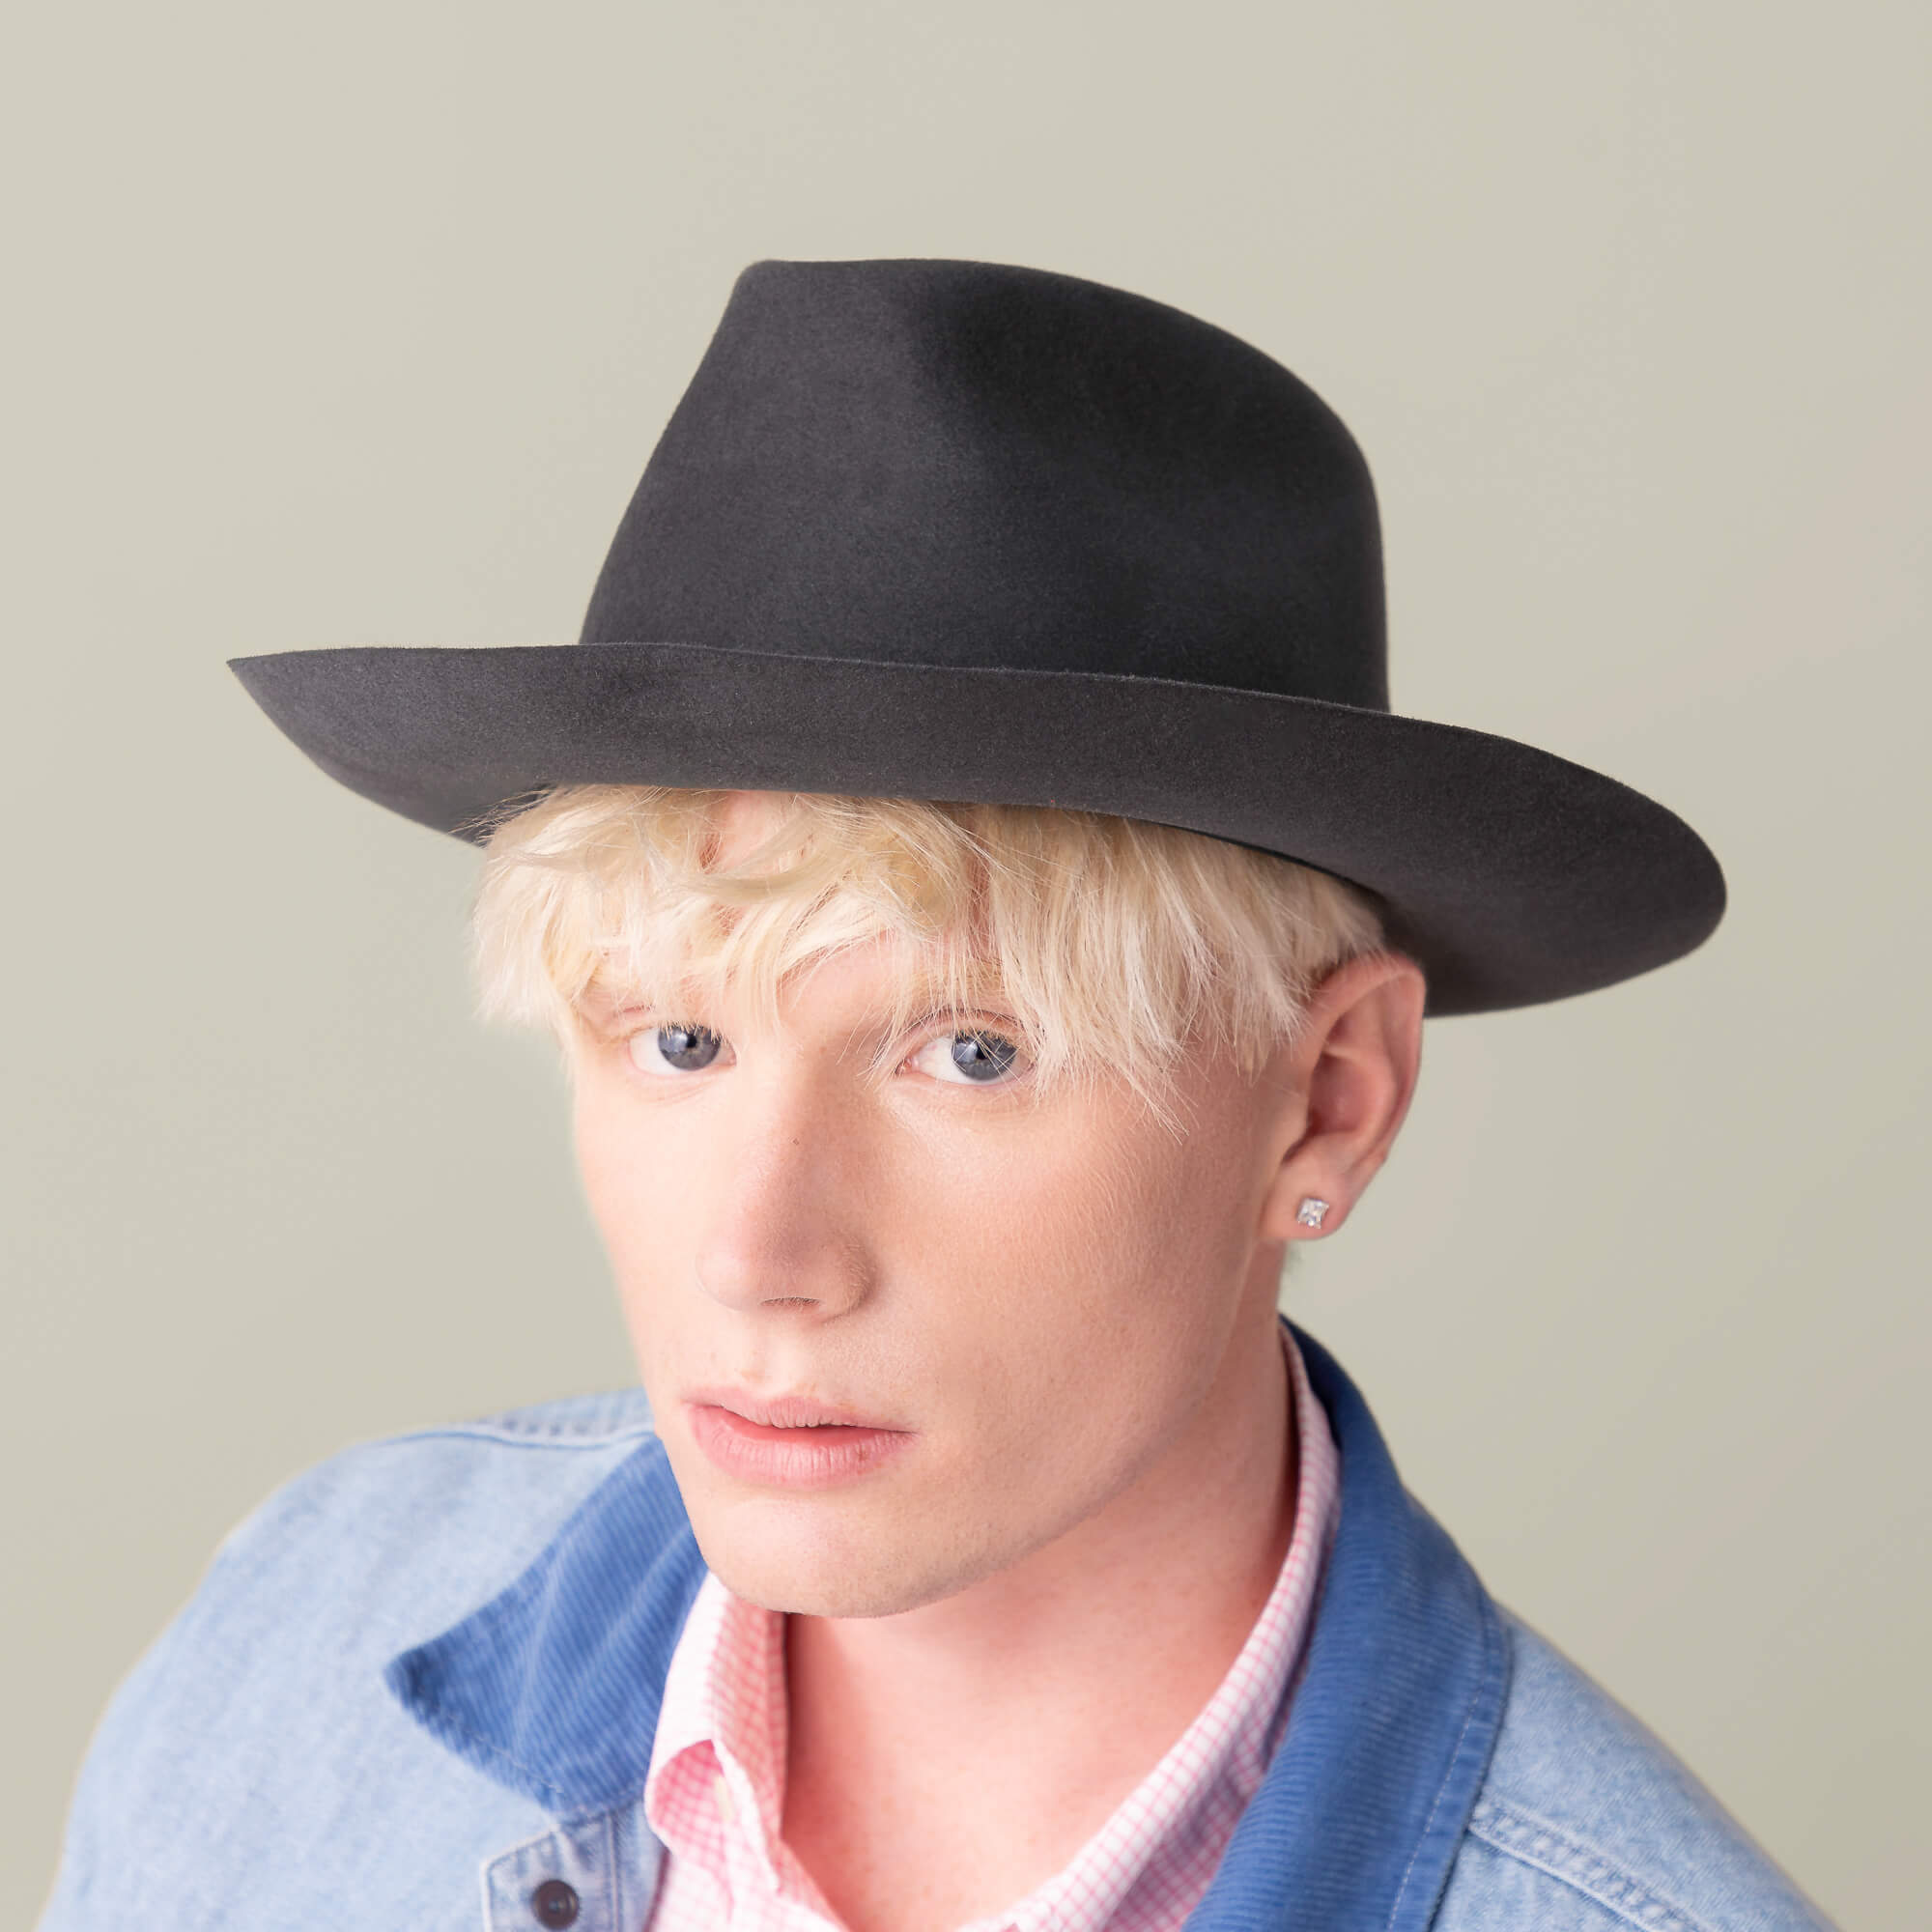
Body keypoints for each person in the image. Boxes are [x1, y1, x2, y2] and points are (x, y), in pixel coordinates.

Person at [39, 258, 1835, 1931]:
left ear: (1330, 1104)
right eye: (682, 1042)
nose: (762, 1256)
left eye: (972, 1055)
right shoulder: (300, 1638)